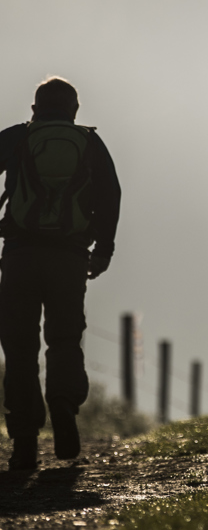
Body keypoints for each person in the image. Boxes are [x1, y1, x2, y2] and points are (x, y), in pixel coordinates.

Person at [0, 77, 121, 471]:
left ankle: (24, 442)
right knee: (65, 338)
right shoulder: (89, 142)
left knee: (19, 347)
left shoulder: (18, 137)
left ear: (35, 110)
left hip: (19, 255)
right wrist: (103, 250)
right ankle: (64, 404)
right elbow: (110, 196)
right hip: (69, 258)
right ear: (74, 111)